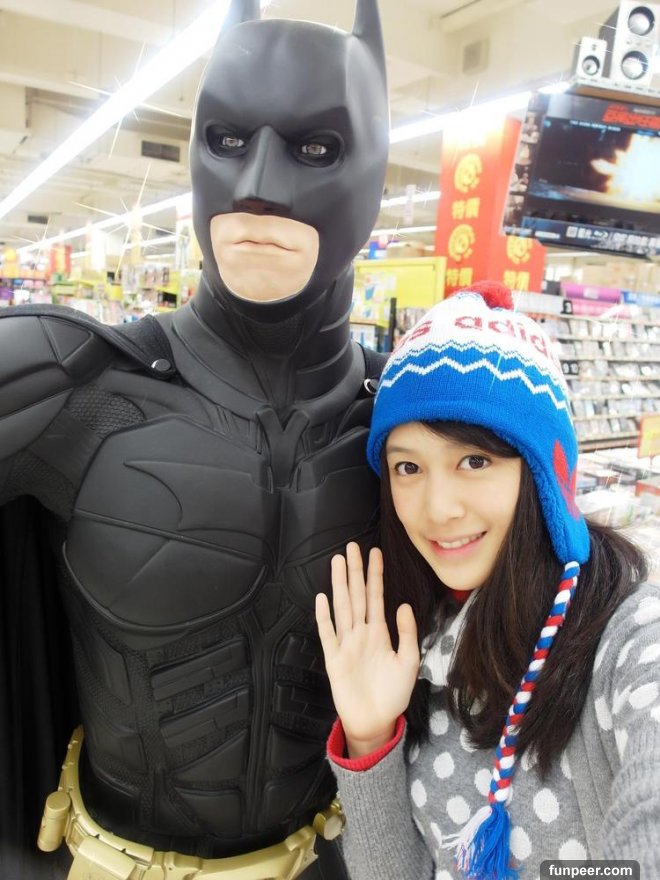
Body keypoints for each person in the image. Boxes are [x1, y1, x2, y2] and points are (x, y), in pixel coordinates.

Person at [0, 1, 389, 878]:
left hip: (336, 853)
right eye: (227, 138)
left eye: (316, 147)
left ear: (371, 169)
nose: (258, 183)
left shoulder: (410, 425)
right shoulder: (77, 386)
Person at [316, 282, 658, 880]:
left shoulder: (627, 636)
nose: (438, 509)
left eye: (475, 461)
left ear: (543, 474)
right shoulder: (410, 644)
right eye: (408, 466)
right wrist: (370, 738)